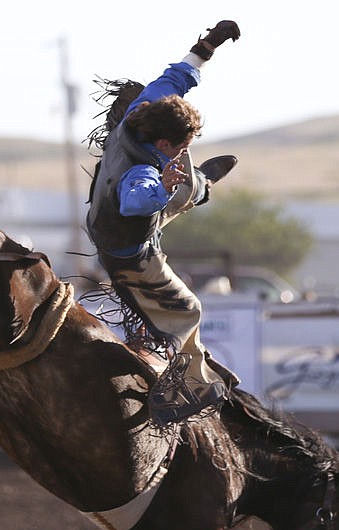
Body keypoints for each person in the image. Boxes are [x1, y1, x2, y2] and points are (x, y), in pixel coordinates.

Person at [85, 21, 241, 426]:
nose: (183, 149)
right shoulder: (142, 174)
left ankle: (199, 183)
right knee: (188, 309)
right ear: (164, 145)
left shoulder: (146, 108)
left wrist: (208, 45)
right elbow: (136, 202)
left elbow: (178, 75)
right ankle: (188, 387)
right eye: (182, 146)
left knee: (183, 186)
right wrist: (163, 188)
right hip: (128, 250)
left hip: (107, 214)